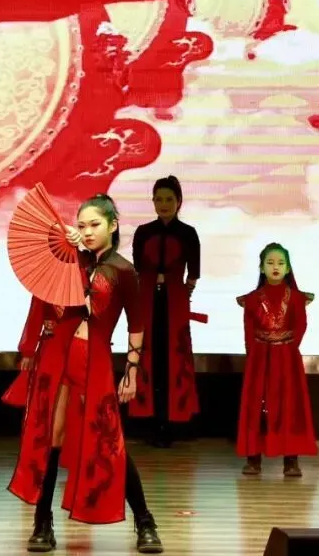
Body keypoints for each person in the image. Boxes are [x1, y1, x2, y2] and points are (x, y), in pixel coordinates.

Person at [7, 193, 163, 554]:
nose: (88, 231)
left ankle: (145, 521)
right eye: (81, 225)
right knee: (52, 436)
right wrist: (64, 246)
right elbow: (41, 296)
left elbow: (137, 324)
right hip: (57, 356)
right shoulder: (67, 260)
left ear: (113, 225)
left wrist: (132, 371)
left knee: (109, 440)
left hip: (95, 360)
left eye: (95, 224)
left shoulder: (123, 271)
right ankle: (42, 522)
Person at [129, 175, 200, 447]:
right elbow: (138, 268)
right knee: (148, 357)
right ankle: (149, 421)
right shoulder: (143, 232)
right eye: (158, 199)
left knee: (174, 358)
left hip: (175, 303)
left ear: (179, 201)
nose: (164, 204)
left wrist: (180, 294)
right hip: (147, 300)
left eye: (169, 199)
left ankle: (172, 423)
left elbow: (193, 274)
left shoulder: (188, 233)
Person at [236, 243, 317, 477]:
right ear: (261, 268)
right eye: (270, 262)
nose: (275, 267)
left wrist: (288, 347)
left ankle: (291, 459)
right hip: (260, 358)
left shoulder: (297, 298)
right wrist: (254, 355)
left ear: (288, 268)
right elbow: (248, 330)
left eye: (281, 263)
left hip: (287, 358)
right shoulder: (252, 299)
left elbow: (300, 326)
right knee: (257, 406)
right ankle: (253, 458)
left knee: (289, 405)